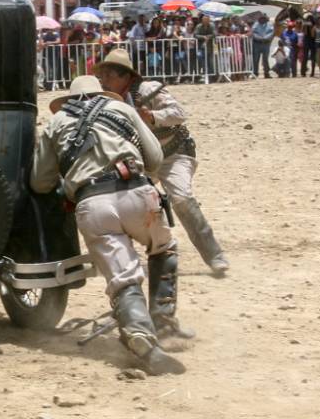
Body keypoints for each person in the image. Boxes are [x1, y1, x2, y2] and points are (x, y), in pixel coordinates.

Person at [29, 75, 184, 375]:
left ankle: (140, 334)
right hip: (138, 192)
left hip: (91, 204)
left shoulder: (57, 121)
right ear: (101, 93)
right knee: (163, 247)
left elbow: (39, 181)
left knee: (123, 278)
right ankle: (163, 322)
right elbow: (154, 159)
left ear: (69, 99)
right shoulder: (123, 110)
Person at [96, 48, 229, 278]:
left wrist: (153, 117)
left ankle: (214, 255)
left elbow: (179, 113)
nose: (104, 81)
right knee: (118, 199)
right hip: (143, 160)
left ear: (125, 77)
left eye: (109, 76)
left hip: (173, 154)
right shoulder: (108, 101)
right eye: (103, 76)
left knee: (182, 199)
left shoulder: (148, 90)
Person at [248, 13, 274, 78]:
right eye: (261, 18)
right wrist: (259, 38)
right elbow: (253, 32)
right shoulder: (255, 24)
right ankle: (255, 73)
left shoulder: (270, 25)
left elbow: (271, 33)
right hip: (257, 43)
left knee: (265, 59)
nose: (262, 19)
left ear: (266, 19)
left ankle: (266, 73)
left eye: (263, 18)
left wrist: (265, 38)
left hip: (266, 44)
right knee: (255, 59)